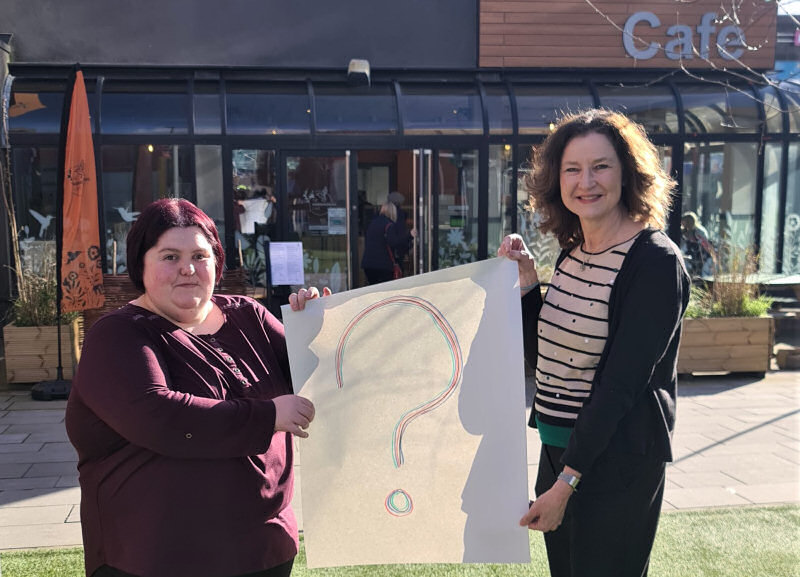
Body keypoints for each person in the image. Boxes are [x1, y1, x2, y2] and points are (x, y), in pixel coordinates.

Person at [65, 198, 321, 577]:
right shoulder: (119, 334)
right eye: (169, 256)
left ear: (216, 262)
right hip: (157, 557)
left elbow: (316, 377)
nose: (187, 269)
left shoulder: (249, 315)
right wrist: (269, 415)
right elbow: (160, 417)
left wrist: (316, 330)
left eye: (200, 256)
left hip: (263, 549)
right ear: (141, 263)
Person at [498, 109, 690, 577]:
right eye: (572, 168)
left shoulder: (655, 262)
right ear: (555, 180)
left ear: (628, 174)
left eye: (601, 166)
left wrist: (567, 482)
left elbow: (621, 386)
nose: (587, 181)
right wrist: (528, 286)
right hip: (557, 451)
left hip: (615, 463)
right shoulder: (574, 251)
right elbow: (544, 359)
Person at [361, 197, 413, 285]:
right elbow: (394, 242)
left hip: (368, 264)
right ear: (393, 212)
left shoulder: (372, 223)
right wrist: (410, 236)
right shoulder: (389, 225)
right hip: (383, 265)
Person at [680, 211, 714, 277]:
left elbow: (705, 245)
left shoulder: (699, 231)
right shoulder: (685, 231)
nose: (682, 224)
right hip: (693, 256)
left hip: (702, 256)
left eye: (684, 222)